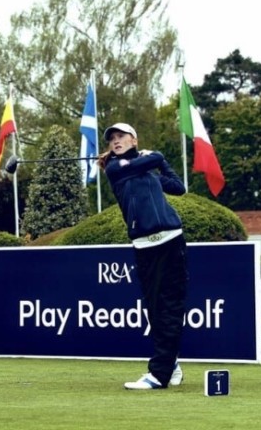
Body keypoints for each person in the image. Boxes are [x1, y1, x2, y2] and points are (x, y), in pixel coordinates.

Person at [98, 123, 189, 390]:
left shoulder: (147, 172)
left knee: (169, 307)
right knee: (155, 309)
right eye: (112, 139)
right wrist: (155, 157)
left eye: (121, 136)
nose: (115, 141)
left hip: (171, 242)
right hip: (143, 246)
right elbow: (152, 160)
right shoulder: (115, 170)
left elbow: (178, 187)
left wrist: (158, 164)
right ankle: (169, 364)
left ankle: (161, 373)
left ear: (133, 139)